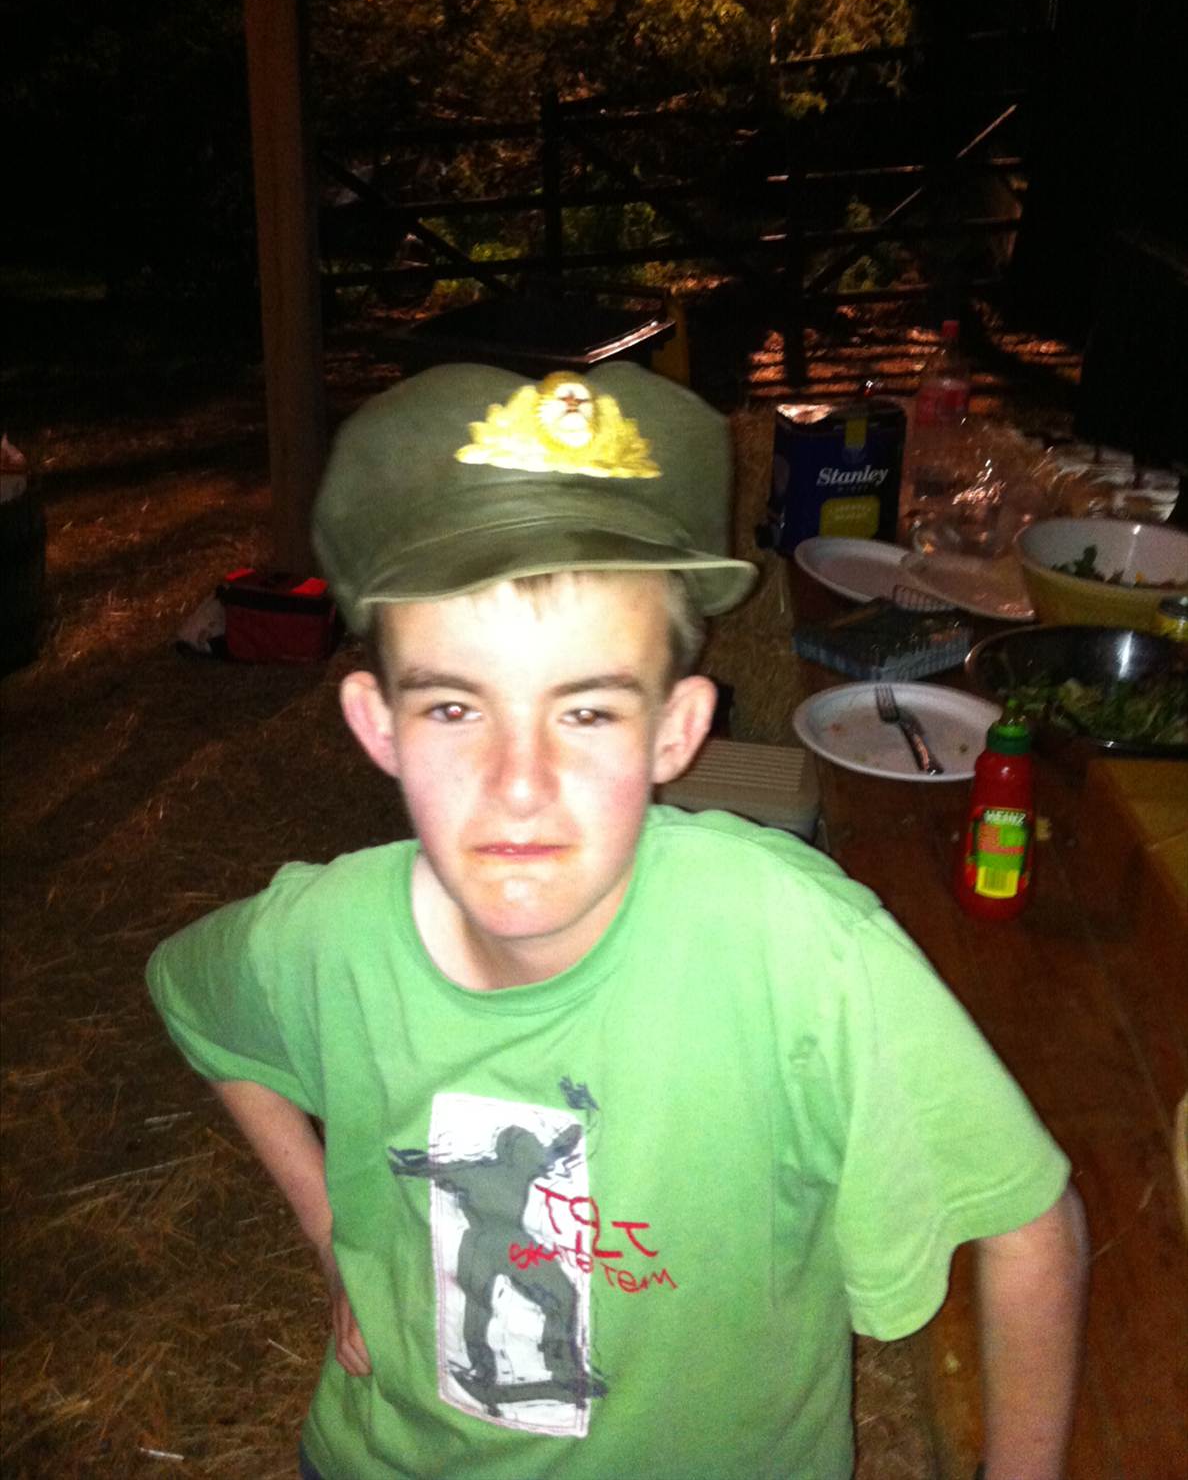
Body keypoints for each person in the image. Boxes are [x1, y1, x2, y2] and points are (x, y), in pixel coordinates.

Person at [147, 361, 1087, 1480]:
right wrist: (328, 1231)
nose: (519, 785)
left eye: (586, 710)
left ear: (676, 730)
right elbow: (193, 997)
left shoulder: (795, 951)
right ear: (378, 723)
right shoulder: (327, 934)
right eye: (455, 706)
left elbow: (1030, 1223)